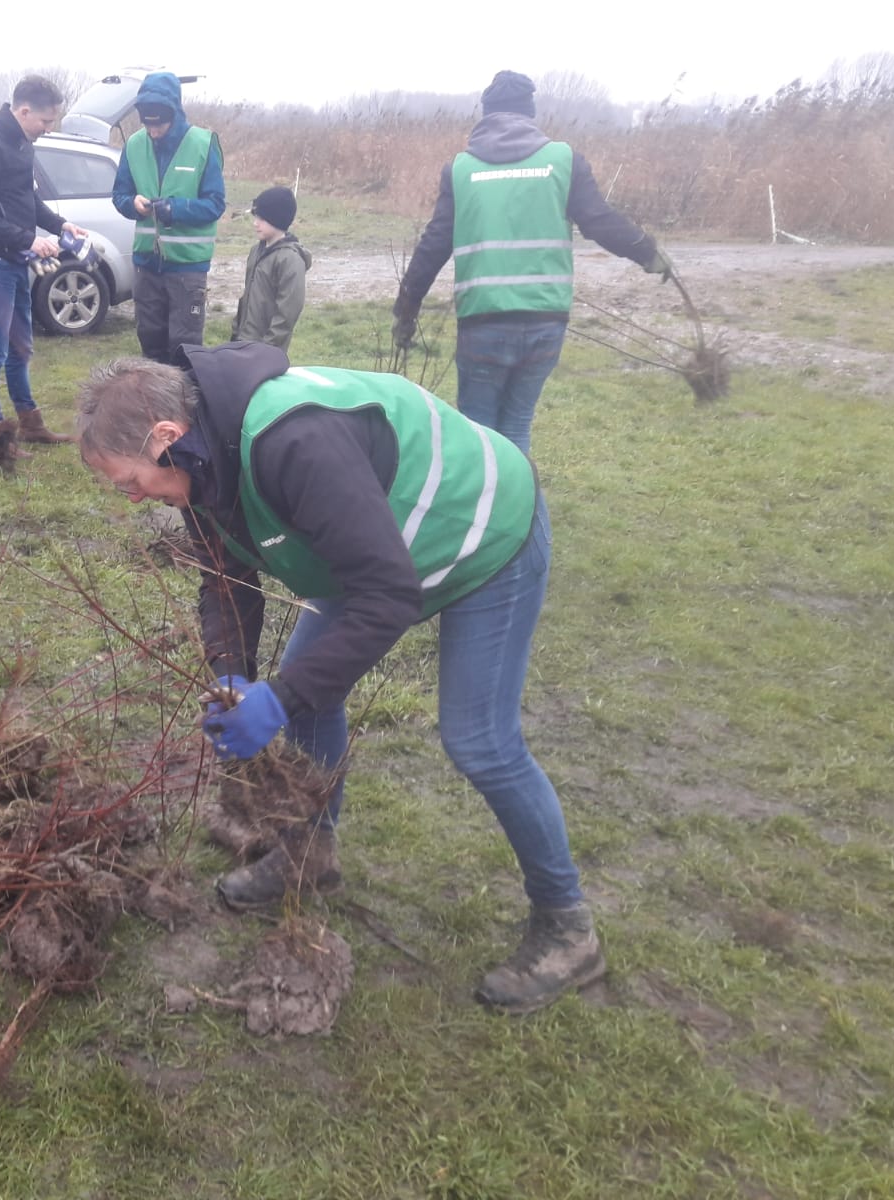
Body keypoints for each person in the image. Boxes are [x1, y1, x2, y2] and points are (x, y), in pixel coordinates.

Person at [74, 344, 605, 1015]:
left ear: (166, 437)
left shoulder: (295, 442)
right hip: (369, 553)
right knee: (307, 698)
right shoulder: (198, 464)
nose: (129, 498)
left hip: (481, 530)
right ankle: (310, 854)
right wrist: (234, 679)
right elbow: (226, 578)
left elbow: (386, 597)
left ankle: (568, 926)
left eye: (128, 481)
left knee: (479, 740)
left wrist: (283, 692)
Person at [392, 69, 675, 454]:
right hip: (545, 324)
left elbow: (433, 245)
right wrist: (648, 252)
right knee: (516, 430)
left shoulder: (460, 170)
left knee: (479, 440)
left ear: (485, 114)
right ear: (530, 113)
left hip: (483, 323)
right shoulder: (563, 161)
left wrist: (406, 310)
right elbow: (600, 221)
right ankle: (522, 512)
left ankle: (491, 512)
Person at [0, 74, 89, 455]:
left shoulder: (23, 144)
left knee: (21, 347)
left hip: (18, 263)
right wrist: (29, 240)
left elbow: (27, 202)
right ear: (23, 111)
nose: (48, 129)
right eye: (45, 122)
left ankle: (30, 424)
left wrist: (58, 224)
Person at [111, 71, 226, 363]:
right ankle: (153, 405)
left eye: (159, 124)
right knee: (150, 340)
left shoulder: (203, 143)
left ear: (173, 113)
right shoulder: (134, 145)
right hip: (147, 266)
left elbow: (215, 204)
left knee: (184, 346)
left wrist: (176, 209)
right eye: (147, 125)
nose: (153, 132)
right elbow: (119, 194)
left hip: (187, 267)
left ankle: (186, 405)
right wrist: (130, 203)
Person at [230, 186, 311, 351]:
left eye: (262, 218)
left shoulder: (290, 260)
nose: (255, 223)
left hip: (267, 350)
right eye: (256, 217)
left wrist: (268, 348)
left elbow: (287, 313)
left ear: (277, 219)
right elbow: (248, 297)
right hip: (243, 342)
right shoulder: (255, 251)